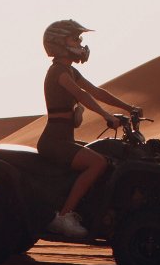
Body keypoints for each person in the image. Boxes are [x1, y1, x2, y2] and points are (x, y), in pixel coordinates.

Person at [38, 19, 141, 240]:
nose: (80, 43)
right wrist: (106, 116)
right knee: (98, 162)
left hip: (64, 139)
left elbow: (96, 91)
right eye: (74, 38)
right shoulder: (58, 72)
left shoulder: (70, 71)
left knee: (106, 155)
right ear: (58, 42)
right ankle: (64, 217)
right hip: (54, 142)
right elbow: (82, 95)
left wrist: (128, 107)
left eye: (79, 38)